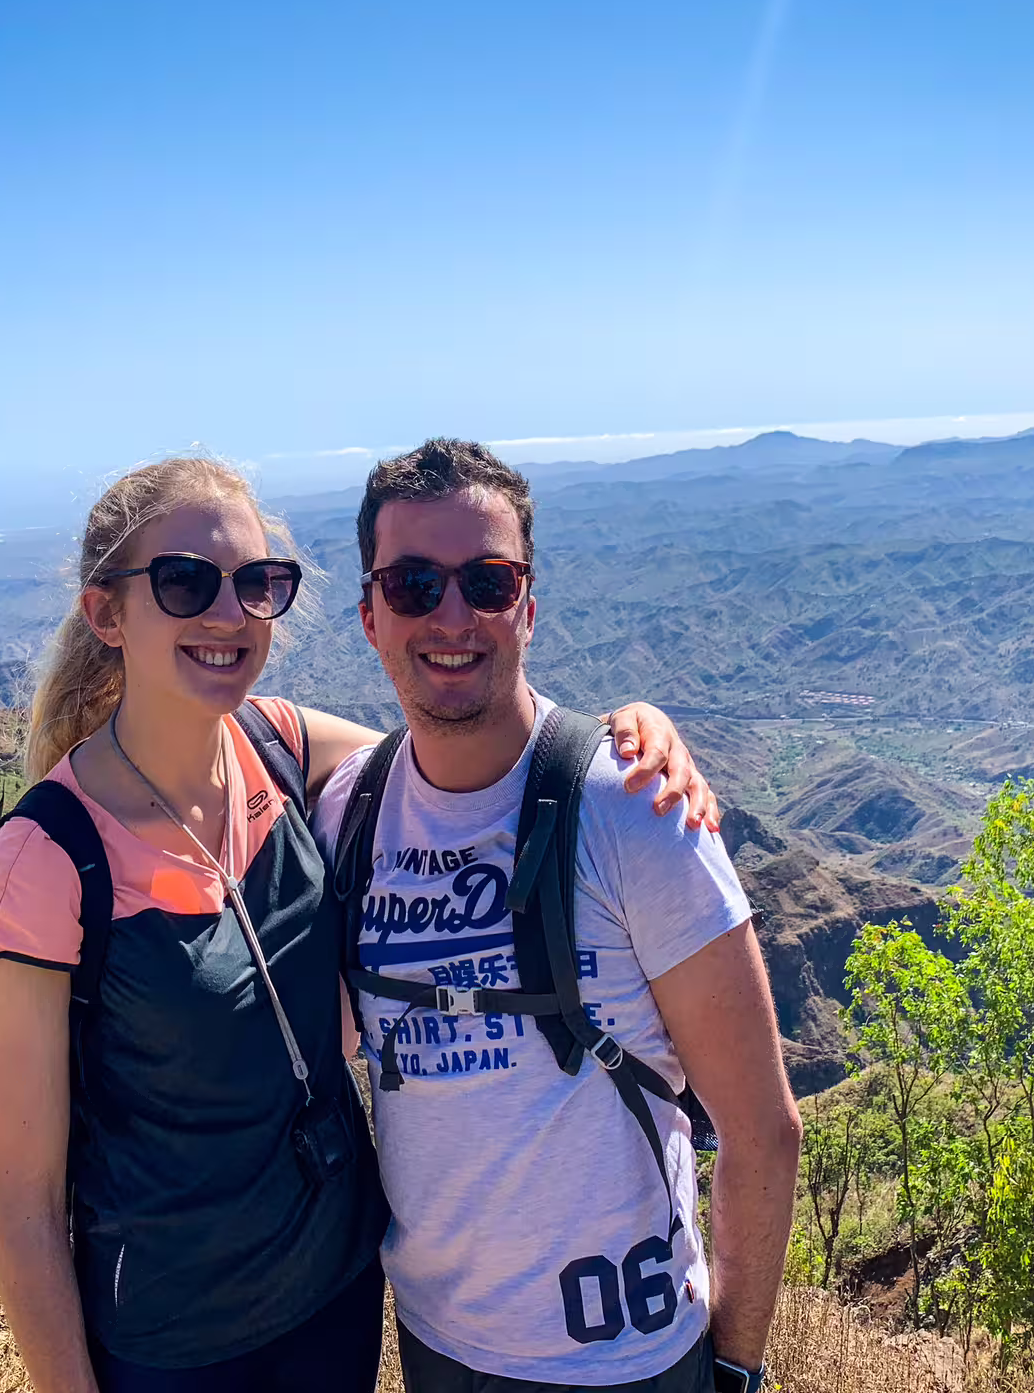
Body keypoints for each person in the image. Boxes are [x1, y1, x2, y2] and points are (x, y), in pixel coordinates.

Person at [0, 455, 720, 1393]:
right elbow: (22, 1211)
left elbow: (471, 758)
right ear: (106, 613)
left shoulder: (280, 750)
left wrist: (626, 739)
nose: (228, 613)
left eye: (256, 584)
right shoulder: (45, 862)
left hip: (340, 1298)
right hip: (173, 1341)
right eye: (185, 581)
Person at [313, 439, 802, 1393]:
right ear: (370, 616)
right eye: (414, 585)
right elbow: (203, 719)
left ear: (527, 606)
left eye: (487, 582)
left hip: (628, 1358)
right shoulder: (348, 814)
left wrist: (733, 1371)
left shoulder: (635, 810)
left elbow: (763, 1130)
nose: (452, 615)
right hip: (436, 1342)